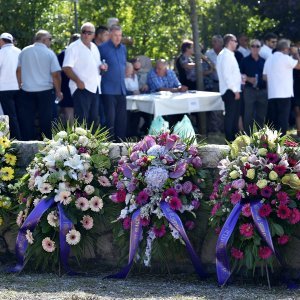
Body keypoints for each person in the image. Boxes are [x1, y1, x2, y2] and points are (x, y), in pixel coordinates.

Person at [17, 30, 63, 140]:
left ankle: (26, 145)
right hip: (45, 91)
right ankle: (47, 146)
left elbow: (18, 70)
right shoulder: (49, 53)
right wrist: (58, 91)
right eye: (50, 39)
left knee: (27, 121)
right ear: (43, 40)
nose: (50, 42)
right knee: (46, 121)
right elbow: (55, 75)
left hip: (26, 90)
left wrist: (19, 85)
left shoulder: (24, 51)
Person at [63, 22, 105, 128]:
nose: (86, 34)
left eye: (89, 32)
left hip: (94, 87)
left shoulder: (95, 47)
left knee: (94, 120)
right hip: (81, 88)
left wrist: (103, 67)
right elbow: (66, 67)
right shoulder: (73, 47)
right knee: (81, 120)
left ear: (94, 35)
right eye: (84, 32)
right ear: (81, 33)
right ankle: (80, 145)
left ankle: (92, 144)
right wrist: (78, 81)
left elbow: (98, 66)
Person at [263, 39, 300, 135]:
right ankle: (281, 143)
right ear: (285, 49)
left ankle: (272, 143)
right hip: (284, 94)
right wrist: (296, 53)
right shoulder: (285, 58)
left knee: (273, 121)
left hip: (272, 94)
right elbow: (299, 66)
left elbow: (264, 77)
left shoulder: (269, 58)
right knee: (282, 121)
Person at [99, 24, 127, 141]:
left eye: (120, 35)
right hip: (108, 90)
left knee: (121, 120)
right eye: (115, 35)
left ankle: (121, 145)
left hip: (121, 89)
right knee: (109, 120)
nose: (118, 38)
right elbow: (98, 66)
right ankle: (109, 147)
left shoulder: (123, 48)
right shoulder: (102, 48)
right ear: (110, 35)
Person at [216, 34, 242, 141]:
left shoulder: (226, 54)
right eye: (235, 41)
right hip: (230, 90)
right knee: (231, 117)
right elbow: (227, 75)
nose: (236, 43)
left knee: (234, 117)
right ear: (230, 41)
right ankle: (230, 140)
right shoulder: (226, 55)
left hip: (230, 90)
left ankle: (233, 140)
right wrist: (235, 90)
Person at [240, 39, 267, 134]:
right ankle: (248, 136)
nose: (255, 48)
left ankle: (260, 137)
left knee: (261, 115)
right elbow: (239, 75)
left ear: (260, 48)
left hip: (262, 91)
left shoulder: (264, 61)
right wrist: (247, 78)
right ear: (249, 47)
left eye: (257, 46)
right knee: (248, 115)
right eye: (253, 46)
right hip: (249, 90)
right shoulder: (244, 61)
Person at [0, 32, 21, 139]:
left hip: (4, 88)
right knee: (19, 114)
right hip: (20, 87)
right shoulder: (19, 51)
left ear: (1, 41)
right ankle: (23, 137)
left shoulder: (1, 52)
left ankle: (15, 139)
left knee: (9, 115)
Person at [57, 33, 80, 125]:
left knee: (68, 111)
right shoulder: (64, 54)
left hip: (70, 85)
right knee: (69, 111)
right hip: (69, 85)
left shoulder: (63, 53)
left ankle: (72, 133)